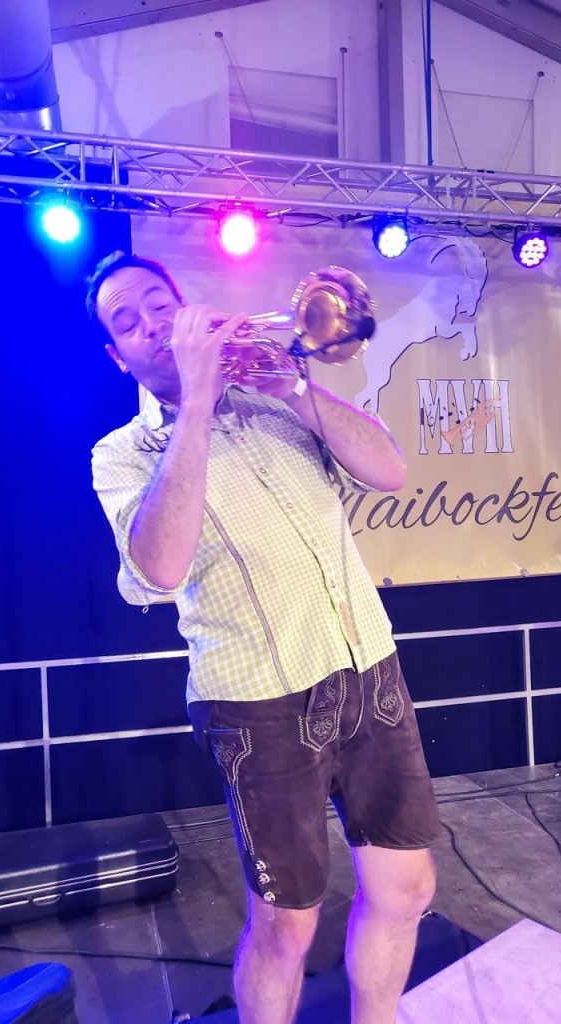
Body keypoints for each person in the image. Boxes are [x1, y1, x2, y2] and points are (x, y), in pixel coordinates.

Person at [87, 251, 442, 1024]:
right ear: (119, 357)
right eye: (129, 322)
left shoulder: (276, 404)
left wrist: (296, 389)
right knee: (287, 926)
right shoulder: (123, 454)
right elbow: (159, 567)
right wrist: (196, 401)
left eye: (160, 304)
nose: (153, 324)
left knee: (407, 889)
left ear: (187, 308)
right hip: (260, 709)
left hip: (368, 670)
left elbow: (390, 469)